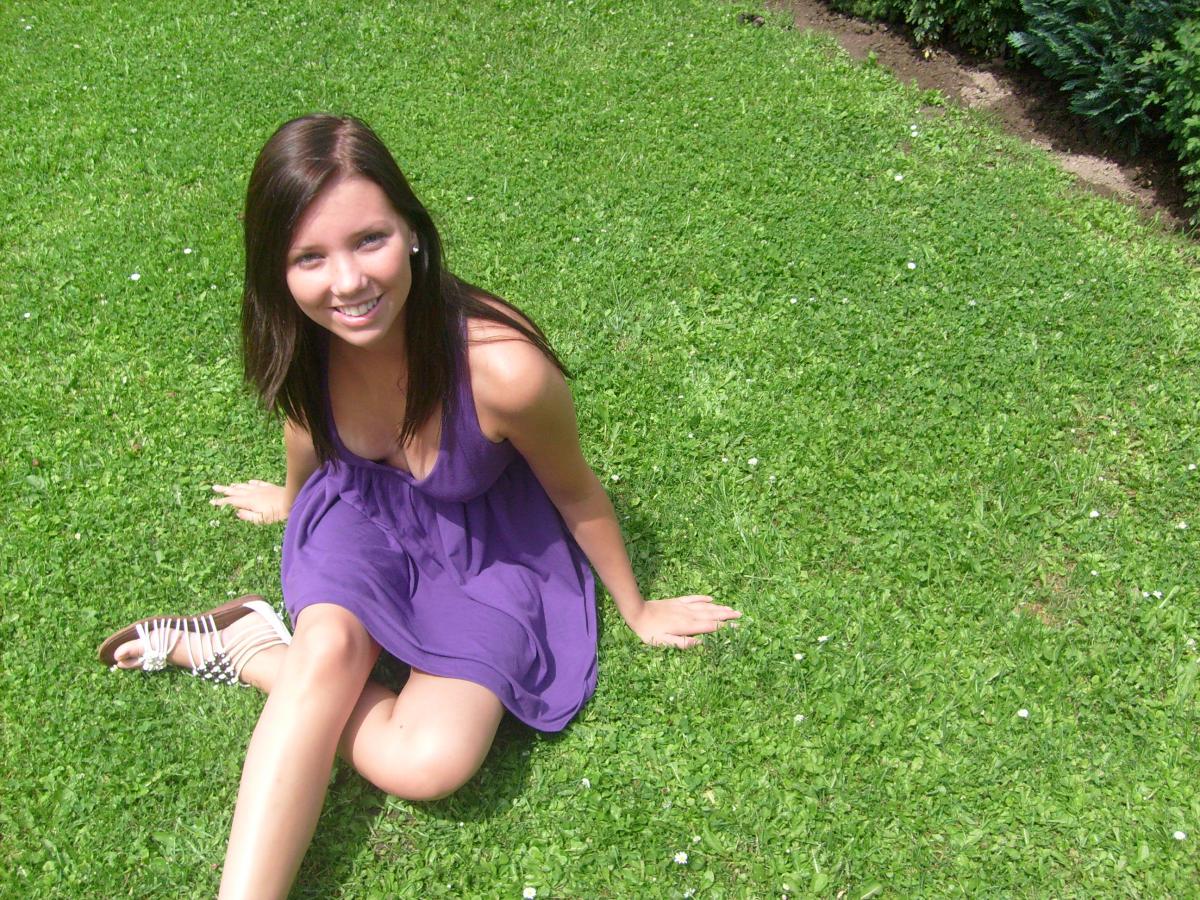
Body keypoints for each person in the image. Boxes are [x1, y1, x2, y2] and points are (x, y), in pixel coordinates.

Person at [97, 113, 741, 898]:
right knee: (329, 654)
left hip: (488, 550)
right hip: (361, 516)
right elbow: (306, 428)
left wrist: (637, 608)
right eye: (309, 257)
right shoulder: (305, 340)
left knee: (429, 763)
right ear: (278, 270)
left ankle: (252, 648)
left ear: (411, 231)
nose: (346, 283)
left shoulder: (505, 370)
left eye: (368, 239)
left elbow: (575, 489)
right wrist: (292, 502)